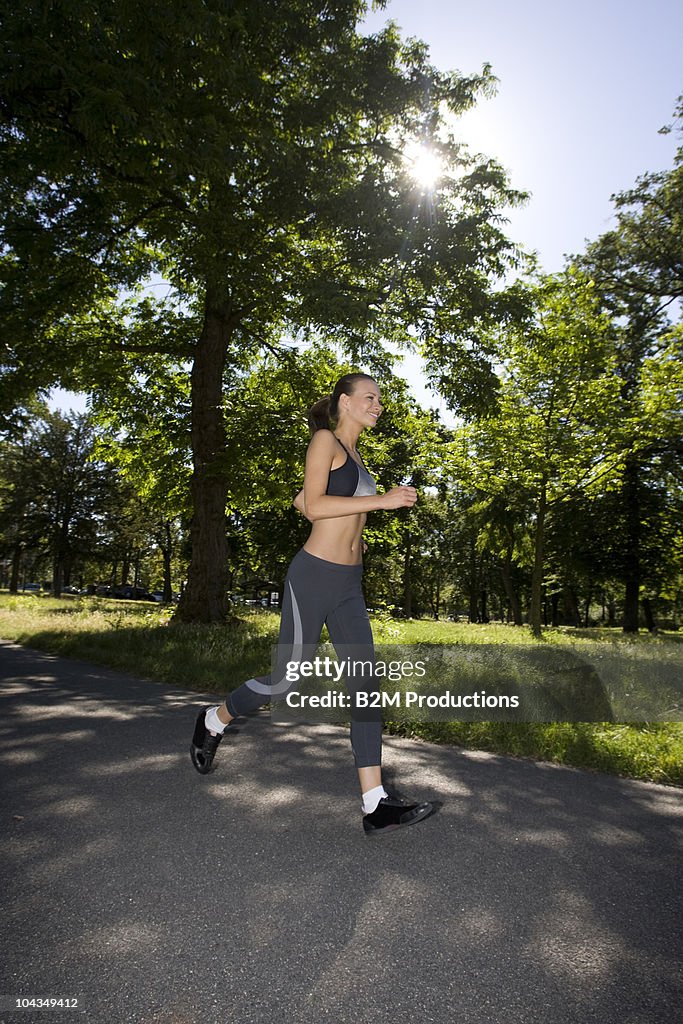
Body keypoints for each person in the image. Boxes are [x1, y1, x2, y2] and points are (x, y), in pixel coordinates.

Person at [190, 372, 433, 836]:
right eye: (370, 397)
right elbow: (319, 508)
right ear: (344, 401)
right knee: (285, 681)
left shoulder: (358, 456)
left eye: (380, 399)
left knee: (366, 684)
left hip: (349, 584)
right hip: (314, 577)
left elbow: (308, 499)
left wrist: (344, 509)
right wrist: (382, 501)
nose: (378, 404)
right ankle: (213, 720)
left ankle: (374, 803)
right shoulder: (325, 439)